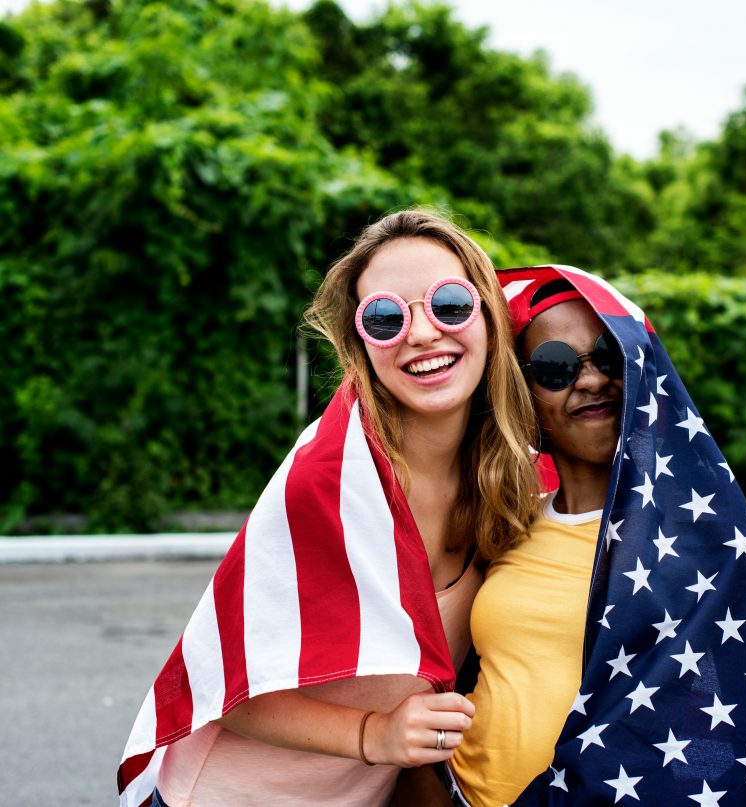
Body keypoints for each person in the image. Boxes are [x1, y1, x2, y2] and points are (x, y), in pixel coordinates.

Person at [117, 210, 541, 807]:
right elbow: (215, 685)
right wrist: (375, 734)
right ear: (362, 345)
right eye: (386, 317)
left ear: (491, 316)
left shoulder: (517, 480)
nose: (422, 333)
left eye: (449, 304)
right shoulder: (325, 481)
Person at [449, 265, 746, 805]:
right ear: (522, 394)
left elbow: (719, 732)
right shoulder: (505, 525)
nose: (591, 380)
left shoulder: (699, 538)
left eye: (608, 357)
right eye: (555, 366)